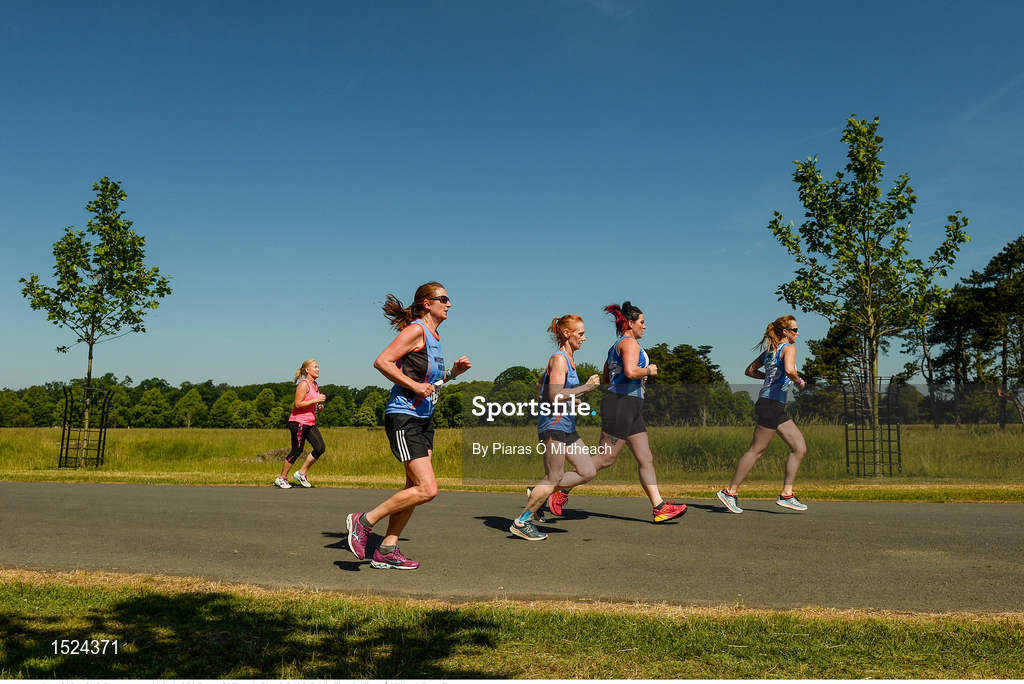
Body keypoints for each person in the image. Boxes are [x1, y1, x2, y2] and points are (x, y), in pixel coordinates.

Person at [345, 282, 470, 569]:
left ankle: (387, 548)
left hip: (425, 418)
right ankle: (363, 521)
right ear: (427, 303)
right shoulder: (416, 330)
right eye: (444, 299)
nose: (449, 304)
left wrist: (452, 373)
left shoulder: (435, 336)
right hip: (404, 415)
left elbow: (430, 384)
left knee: (413, 486)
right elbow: (382, 362)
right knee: (428, 489)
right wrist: (414, 385)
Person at [546, 302, 687, 523]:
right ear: (630, 323)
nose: (645, 326)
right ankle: (553, 488)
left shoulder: (616, 346)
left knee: (645, 458)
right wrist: (647, 370)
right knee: (605, 458)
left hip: (630, 405)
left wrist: (638, 374)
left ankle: (660, 507)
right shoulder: (630, 342)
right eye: (642, 322)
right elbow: (631, 372)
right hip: (622, 404)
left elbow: (607, 378)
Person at [510, 315, 602, 541]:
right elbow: (554, 395)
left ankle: (539, 492)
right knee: (554, 476)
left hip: (566, 425)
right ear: (566, 334)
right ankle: (522, 521)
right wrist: (585, 388)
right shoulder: (560, 359)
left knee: (587, 471)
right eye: (580, 334)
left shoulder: (568, 360)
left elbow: (541, 385)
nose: (584, 338)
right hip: (554, 425)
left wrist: (572, 399)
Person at [717, 315, 808, 514]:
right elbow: (791, 370)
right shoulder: (789, 349)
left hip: (773, 405)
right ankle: (729, 492)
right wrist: (800, 382)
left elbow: (749, 371)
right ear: (785, 332)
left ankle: (787, 494)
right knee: (756, 451)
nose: (797, 333)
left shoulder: (769, 352)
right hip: (772, 404)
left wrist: (769, 376)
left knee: (799, 447)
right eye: (794, 330)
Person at [276, 359, 327, 489]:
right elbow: (298, 404)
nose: (318, 369)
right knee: (296, 451)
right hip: (298, 422)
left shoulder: (315, 384)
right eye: (315, 367)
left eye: (318, 367)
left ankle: (301, 473)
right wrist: (316, 399)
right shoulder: (303, 384)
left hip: (310, 422)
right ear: (307, 370)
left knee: (320, 448)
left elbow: (310, 403)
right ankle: (281, 478)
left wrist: (318, 406)